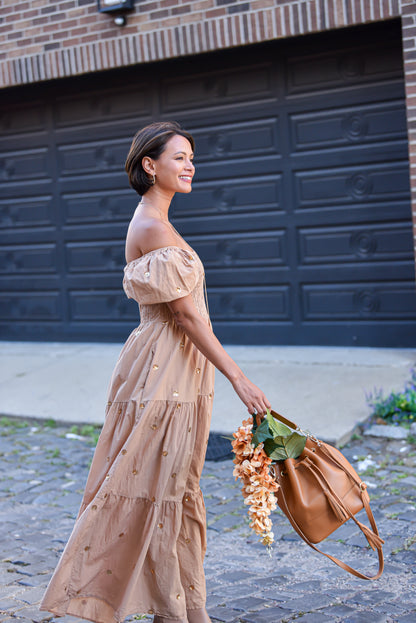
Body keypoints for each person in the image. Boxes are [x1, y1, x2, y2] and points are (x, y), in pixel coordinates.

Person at [40, 121, 270, 623]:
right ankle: (158, 608)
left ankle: (183, 609)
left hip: (171, 365)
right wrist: (238, 376)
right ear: (150, 165)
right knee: (156, 487)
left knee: (175, 487)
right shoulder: (151, 225)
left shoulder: (156, 220)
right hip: (164, 370)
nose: (190, 165)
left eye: (192, 157)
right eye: (180, 157)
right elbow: (185, 316)